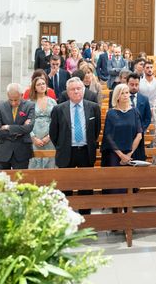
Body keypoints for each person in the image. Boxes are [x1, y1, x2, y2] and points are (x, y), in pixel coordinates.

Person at [49, 77, 102, 213]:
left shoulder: (93, 107)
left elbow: (95, 131)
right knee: (65, 187)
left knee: (86, 186)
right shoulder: (58, 109)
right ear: (67, 92)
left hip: (86, 151)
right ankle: (66, 217)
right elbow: (54, 134)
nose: (76, 91)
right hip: (67, 152)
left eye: (79, 88)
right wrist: (63, 145)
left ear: (83, 90)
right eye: (73, 89)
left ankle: (85, 216)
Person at [0, 83, 35, 170]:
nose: (13, 103)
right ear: (7, 95)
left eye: (16, 100)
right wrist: (20, 129)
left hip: (21, 151)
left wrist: (8, 127)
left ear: (22, 95)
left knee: (20, 182)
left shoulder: (30, 106)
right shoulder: (0, 107)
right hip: (2, 151)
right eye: (11, 100)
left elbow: (28, 128)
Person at [101, 83, 143, 168]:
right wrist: (121, 155)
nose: (125, 95)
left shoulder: (135, 112)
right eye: (122, 93)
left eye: (127, 93)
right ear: (117, 96)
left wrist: (129, 154)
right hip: (115, 153)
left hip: (132, 153)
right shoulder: (111, 113)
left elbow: (139, 135)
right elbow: (108, 136)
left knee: (132, 180)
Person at [28, 76, 57, 169]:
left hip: (49, 137)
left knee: (50, 163)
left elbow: (56, 121)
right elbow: (26, 122)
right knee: (34, 162)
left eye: (43, 83)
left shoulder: (52, 102)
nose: (42, 86)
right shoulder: (29, 103)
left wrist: (49, 136)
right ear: (35, 88)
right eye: (39, 84)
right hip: (35, 136)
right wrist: (33, 137)